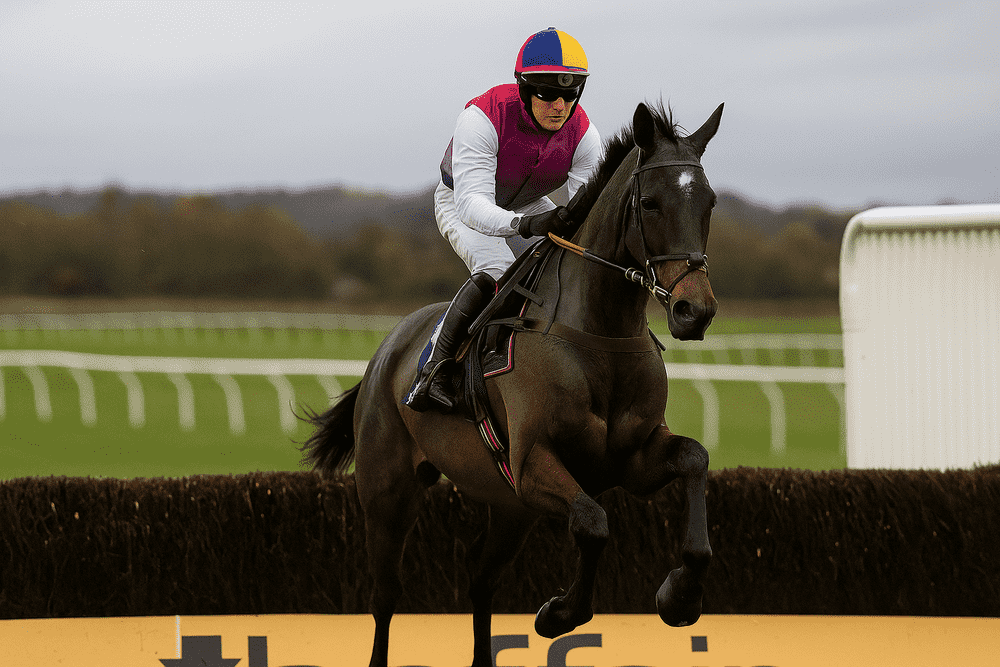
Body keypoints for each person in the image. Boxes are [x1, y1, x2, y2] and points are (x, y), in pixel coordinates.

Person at [404, 27, 604, 413]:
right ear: (524, 87)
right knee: (499, 268)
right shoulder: (483, 116)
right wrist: (528, 225)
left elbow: (586, 213)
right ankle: (433, 369)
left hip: (526, 202)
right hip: (462, 200)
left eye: (570, 92)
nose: (560, 105)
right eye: (547, 92)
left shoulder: (585, 135)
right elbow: (474, 205)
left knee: (567, 265)